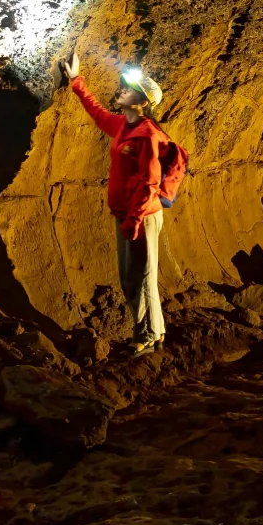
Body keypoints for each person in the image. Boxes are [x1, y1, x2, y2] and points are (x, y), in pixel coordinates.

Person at [65, 50, 188, 354]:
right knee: (137, 275)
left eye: (129, 89)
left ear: (143, 101)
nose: (121, 90)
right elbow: (96, 113)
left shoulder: (147, 135)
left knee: (138, 277)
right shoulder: (123, 126)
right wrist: (76, 80)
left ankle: (145, 337)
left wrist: (133, 220)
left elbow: (149, 182)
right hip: (129, 213)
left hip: (142, 215)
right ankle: (155, 331)